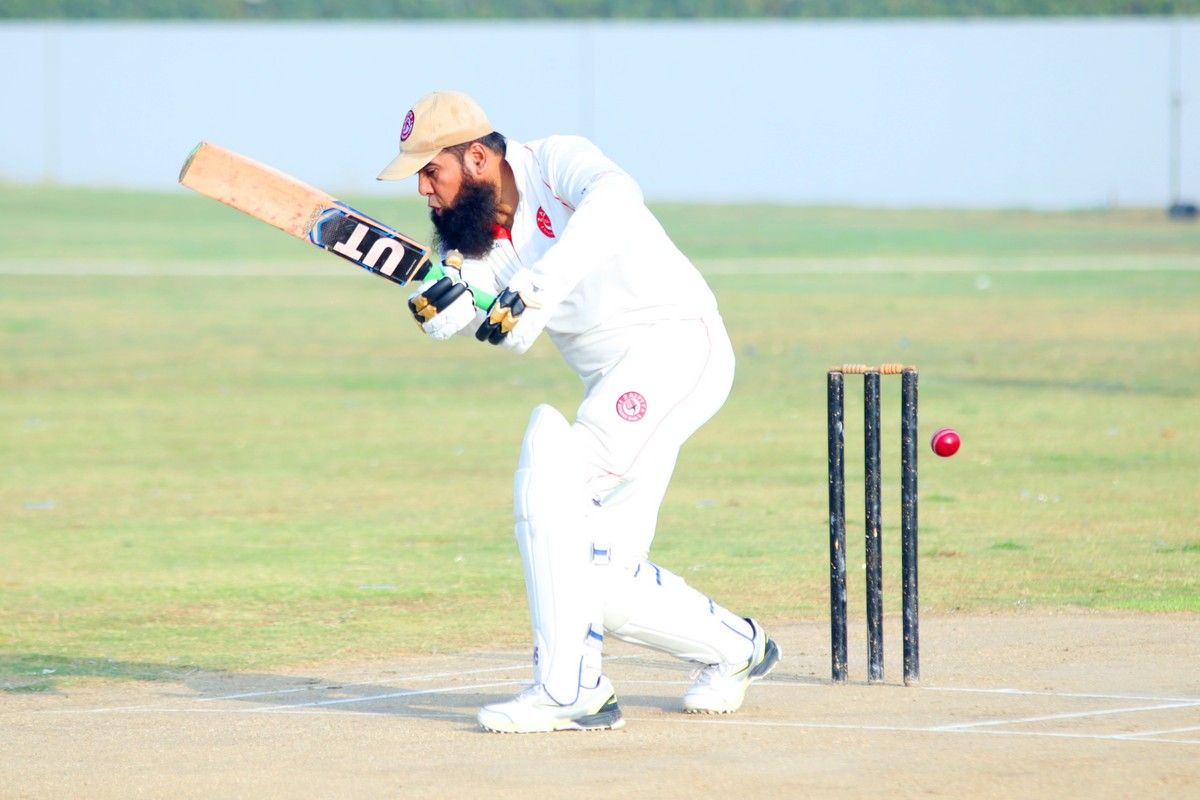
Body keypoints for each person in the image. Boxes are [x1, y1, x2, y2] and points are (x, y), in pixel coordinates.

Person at [377, 90, 779, 734]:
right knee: (600, 579)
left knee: (552, 475)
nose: (424, 190)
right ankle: (737, 648)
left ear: (476, 157)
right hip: (613, 382)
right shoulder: (480, 246)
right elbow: (512, 331)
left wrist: (543, 283)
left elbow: (618, 200)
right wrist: (455, 310)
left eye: (431, 171)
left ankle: (570, 689)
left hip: (675, 345)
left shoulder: (555, 161)